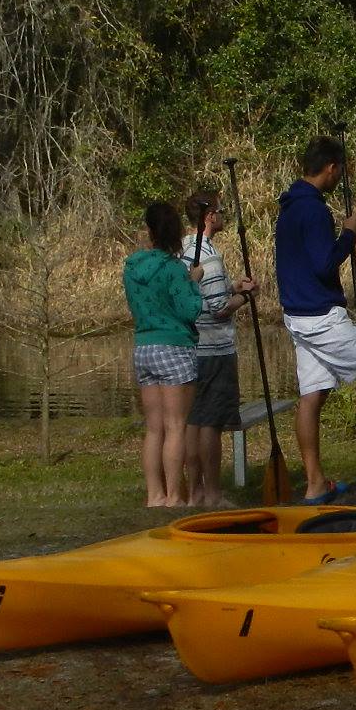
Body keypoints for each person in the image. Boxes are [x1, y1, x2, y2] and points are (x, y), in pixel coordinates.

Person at [274, 136, 356, 499]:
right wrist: (348, 234)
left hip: (296, 314)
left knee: (313, 395)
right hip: (321, 315)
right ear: (331, 168)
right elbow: (324, 264)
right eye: (340, 170)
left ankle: (313, 484)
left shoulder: (290, 206)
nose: (340, 177)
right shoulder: (314, 210)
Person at [182, 189, 259, 509]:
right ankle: (212, 494)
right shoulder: (209, 257)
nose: (225, 216)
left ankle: (194, 491)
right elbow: (217, 308)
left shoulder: (183, 250)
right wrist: (247, 296)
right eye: (221, 211)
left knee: (193, 421)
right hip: (214, 350)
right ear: (209, 216)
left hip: (191, 350)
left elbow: (199, 292)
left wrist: (232, 286)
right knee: (210, 424)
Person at [124, 201, 203, 508]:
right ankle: (174, 497)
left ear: (149, 230)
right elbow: (189, 310)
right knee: (175, 426)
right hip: (174, 348)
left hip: (143, 348)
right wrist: (192, 283)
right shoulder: (175, 269)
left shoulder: (131, 267)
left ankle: (154, 495)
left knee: (154, 428)